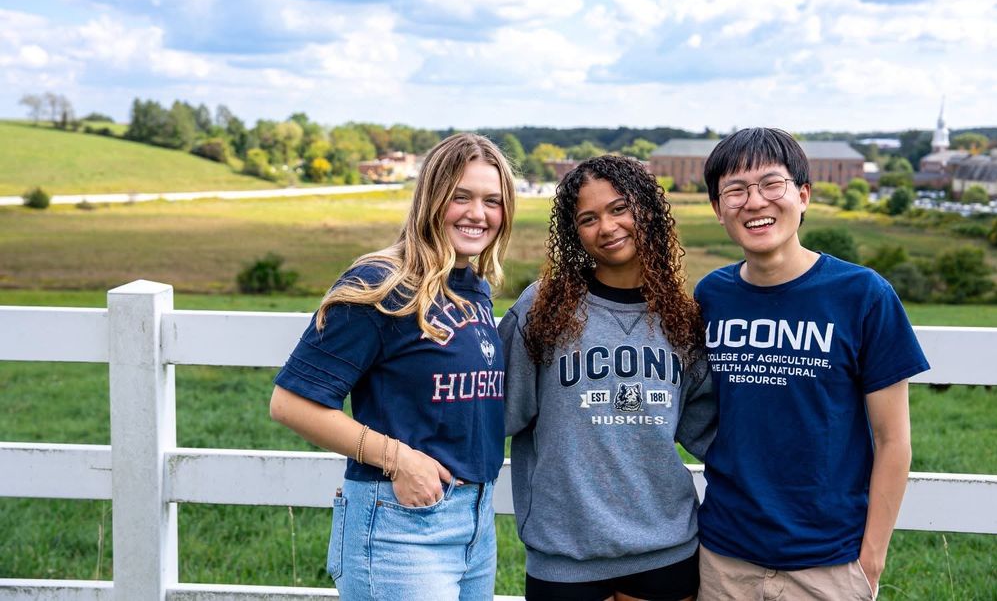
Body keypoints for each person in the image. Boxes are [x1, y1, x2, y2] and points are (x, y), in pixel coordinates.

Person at [269, 133, 516, 600]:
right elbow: (291, 404)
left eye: (492, 201)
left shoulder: (473, 288)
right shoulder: (382, 283)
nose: (478, 214)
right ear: (431, 198)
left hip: (475, 523)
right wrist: (400, 460)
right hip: (400, 525)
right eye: (460, 196)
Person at [695, 128, 929, 600]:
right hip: (723, 558)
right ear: (719, 210)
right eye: (735, 191)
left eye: (771, 185)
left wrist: (870, 561)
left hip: (829, 564)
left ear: (803, 195)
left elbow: (893, 440)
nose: (754, 202)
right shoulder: (711, 296)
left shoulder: (863, 295)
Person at [501, 155, 716, 601]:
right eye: (589, 217)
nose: (607, 226)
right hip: (565, 553)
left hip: (665, 548)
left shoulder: (683, 318)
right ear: (573, 231)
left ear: (647, 210)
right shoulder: (543, 308)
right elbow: (495, 412)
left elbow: (714, 433)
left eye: (620, 208)